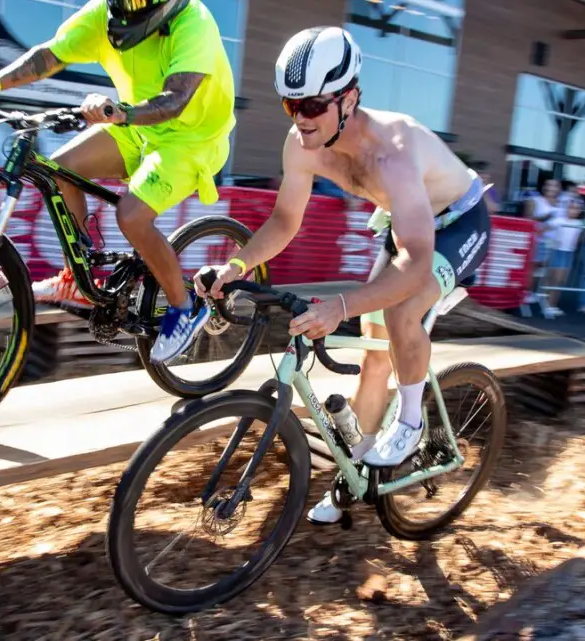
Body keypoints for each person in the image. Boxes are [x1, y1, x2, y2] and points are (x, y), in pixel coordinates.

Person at [192, 26, 492, 526]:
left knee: (399, 310)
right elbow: (286, 221)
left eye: (312, 106)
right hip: (406, 219)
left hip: (458, 221)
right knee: (375, 353)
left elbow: (416, 262)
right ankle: (355, 478)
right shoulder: (302, 144)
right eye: (291, 106)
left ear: (349, 97)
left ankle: (414, 423)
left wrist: (342, 306)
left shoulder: (393, 151)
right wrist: (235, 265)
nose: (300, 119)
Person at [0, 0, 236, 364]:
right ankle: (79, 280)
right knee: (59, 171)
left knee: (131, 216)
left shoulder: (192, 20)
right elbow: (48, 56)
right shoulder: (102, 14)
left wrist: (122, 113)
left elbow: (176, 100)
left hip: (191, 137)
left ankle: (184, 309)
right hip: (134, 125)